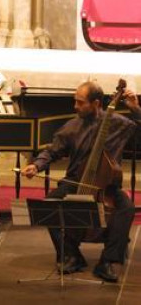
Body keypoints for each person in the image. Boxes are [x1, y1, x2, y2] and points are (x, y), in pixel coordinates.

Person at [21, 81, 141, 283]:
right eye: (75, 101)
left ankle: (109, 261)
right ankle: (70, 255)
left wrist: (136, 109)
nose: (75, 106)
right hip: (75, 181)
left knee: (126, 208)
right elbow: (52, 150)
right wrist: (37, 165)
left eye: (80, 102)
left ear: (96, 103)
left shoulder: (119, 123)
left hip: (107, 186)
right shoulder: (72, 126)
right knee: (49, 207)